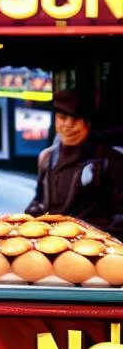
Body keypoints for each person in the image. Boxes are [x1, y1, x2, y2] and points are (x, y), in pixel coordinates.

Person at [25, 90, 123, 240]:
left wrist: (104, 239)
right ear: (56, 120)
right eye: (62, 117)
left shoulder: (111, 160)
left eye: (76, 119)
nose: (68, 125)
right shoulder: (46, 157)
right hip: (53, 242)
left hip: (93, 246)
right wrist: (29, 221)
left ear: (87, 124)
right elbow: (40, 198)